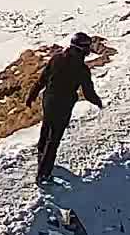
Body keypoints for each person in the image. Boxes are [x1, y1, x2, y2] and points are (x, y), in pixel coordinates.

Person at [26, 33, 105, 186]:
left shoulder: (56, 58)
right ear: (82, 49)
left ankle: (41, 159)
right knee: (54, 139)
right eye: (87, 47)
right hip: (63, 105)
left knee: (46, 128)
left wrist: (32, 95)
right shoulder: (82, 69)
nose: (89, 50)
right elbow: (88, 93)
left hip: (48, 100)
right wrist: (98, 102)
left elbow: (43, 79)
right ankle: (43, 175)